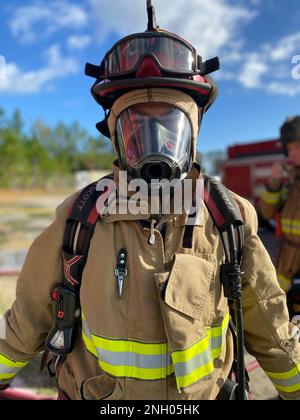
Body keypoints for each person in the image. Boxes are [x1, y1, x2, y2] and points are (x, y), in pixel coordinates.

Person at [0, 2, 299, 401]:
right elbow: (23, 325)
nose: (156, 151)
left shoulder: (228, 219)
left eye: (169, 130)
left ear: (192, 135)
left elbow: (274, 330)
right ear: (116, 137)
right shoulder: (78, 220)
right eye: (139, 129)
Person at [259, 116, 300, 319]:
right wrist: (274, 183)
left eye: (296, 148)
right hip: (288, 264)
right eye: (289, 149)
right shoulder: (292, 181)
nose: (290, 154)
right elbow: (266, 213)